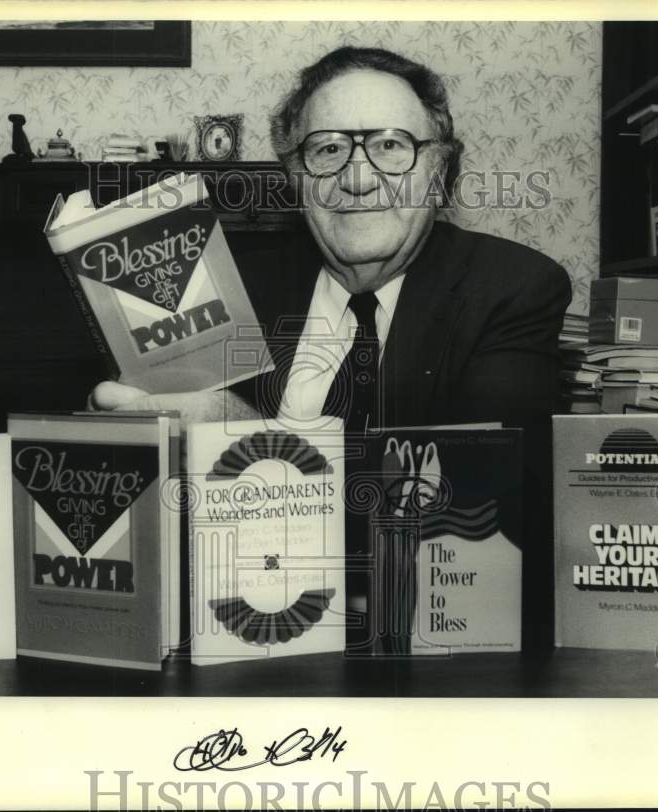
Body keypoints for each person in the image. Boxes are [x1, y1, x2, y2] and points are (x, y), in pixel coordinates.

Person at [92, 46, 571, 649]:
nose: (359, 177)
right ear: (296, 178)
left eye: (393, 145)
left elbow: (479, 498)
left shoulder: (513, 288)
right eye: (328, 149)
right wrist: (128, 430)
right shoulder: (234, 290)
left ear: (441, 171)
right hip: (248, 634)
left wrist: (244, 437)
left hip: (432, 649)